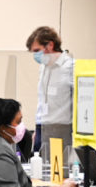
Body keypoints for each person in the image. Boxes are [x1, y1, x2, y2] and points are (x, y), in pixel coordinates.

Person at [26, 26, 74, 156]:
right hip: (42, 127)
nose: (35, 55)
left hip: (61, 128)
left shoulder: (70, 66)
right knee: (39, 164)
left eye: (37, 50)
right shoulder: (43, 68)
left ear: (50, 45)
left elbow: (90, 95)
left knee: (57, 166)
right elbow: (42, 100)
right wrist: (38, 127)